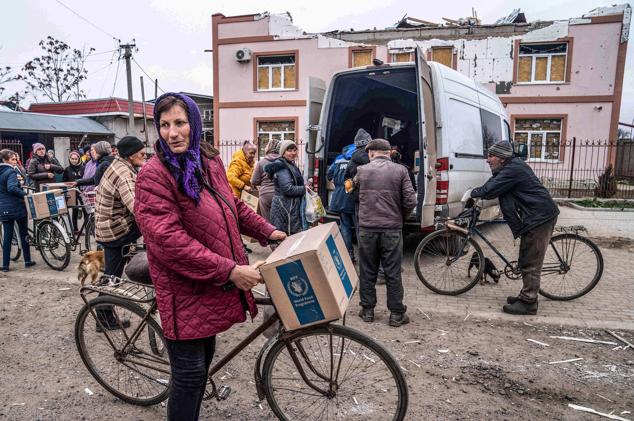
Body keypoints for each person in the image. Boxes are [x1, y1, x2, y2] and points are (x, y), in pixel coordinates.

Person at [134, 93, 286, 421]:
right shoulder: (153, 175)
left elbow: (232, 205)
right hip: (183, 289)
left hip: (210, 283)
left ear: (194, 123)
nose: (172, 132)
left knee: (204, 363)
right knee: (189, 378)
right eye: (164, 125)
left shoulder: (209, 160)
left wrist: (268, 231)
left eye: (179, 123)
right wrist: (230, 270)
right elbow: (168, 240)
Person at [470, 140, 559, 315]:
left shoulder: (513, 169)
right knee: (526, 258)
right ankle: (525, 294)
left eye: (491, 156)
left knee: (531, 262)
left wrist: (472, 193)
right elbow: (493, 185)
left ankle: (529, 302)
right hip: (534, 215)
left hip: (539, 217)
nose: (488, 160)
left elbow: (490, 189)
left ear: (502, 158)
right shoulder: (508, 168)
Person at [354, 138, 417, 327]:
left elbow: (353, 192)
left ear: (371, 153)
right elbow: (411, 200)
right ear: (389, 153)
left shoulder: (362, 171)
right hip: (392, 229)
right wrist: (400, 215)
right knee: (392, 272)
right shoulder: (401, 170)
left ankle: (367, 311)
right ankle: (396, 314)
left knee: (367, 270)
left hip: (367, 229)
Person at [94, 136, 146, 279]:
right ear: (131, 155)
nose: (145, 156)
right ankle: (104, 301)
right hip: (115, 231)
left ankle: (105, 299)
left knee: (113, 274)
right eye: (142, 154)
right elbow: (137, 208)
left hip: (109, 227)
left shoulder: (120, 165)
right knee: (112, 277)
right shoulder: (123, 174)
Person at [0, 150, 35, 271]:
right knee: (23, 233)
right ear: (6, 160)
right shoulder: (11, 172)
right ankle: (27, 260)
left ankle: (5, 265)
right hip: (17, 206)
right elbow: (12, 188)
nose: (15, 162)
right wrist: (24, 194)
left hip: (3, 208)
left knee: (7, 237)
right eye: (13, 159)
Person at [264, 140, 307, 235]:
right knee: (286, 237)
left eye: (295, 150)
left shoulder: (290, 164)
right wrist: (304, 189)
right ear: (283, 152)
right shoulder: (281, 166)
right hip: (285, 207)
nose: (293, 153)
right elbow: (288, 189)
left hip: (290, 206)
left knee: (289, 236)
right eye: (289, 150)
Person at [327, 145, 356, 262]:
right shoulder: (359, 160)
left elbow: (329, 176)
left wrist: (339, 185)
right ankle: (366, 258)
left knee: (345, 227)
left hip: (340, 198)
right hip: (353, 198)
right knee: (360, 228)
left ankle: (349, 254)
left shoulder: (338, 160)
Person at [250, 138, 280, 223]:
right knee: (280, 219)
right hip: (280, 193)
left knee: (267, 221)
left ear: (268, 148)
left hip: (265, 194)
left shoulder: (261, 162)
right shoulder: (283, 161)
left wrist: (262, 181)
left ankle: (270, 235)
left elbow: (253, 181)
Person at [63, 151, 85, 233]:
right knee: (75, 210)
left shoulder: (83, 168)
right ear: (69, 159)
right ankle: (75, 229)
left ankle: (88, 228)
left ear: (78, 159)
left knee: (85, 209)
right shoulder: (67, 169)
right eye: (72, 159)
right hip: (72, 192)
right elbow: (64, 181)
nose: (74, 160)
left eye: (76, 159)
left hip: (82, 191)